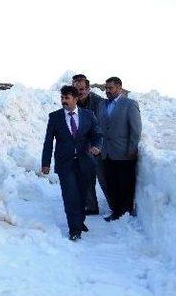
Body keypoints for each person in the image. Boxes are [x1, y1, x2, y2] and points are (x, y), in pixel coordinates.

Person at [41, 85, 103, 241]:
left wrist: (96, 146)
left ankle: (79, 220)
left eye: (67, 98)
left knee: (82, 195)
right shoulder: (55, 117)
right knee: (70, 196)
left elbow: (97, 134)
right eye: (62, 98)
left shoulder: (88, 115)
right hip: (65, 163)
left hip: (85, 162)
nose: (63, 101)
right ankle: (74, 228)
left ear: (76, 99)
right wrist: (46, 163)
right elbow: (48, 142)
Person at [98, 77, 142, 221]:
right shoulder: (102, 105)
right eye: (106, 88)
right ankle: (116, 212)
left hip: (124, 153)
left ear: (120, 88)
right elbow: (100, 127)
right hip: (107, 153)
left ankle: (126, 213)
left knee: (125, 185)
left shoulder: (130, 104)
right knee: (111, 184)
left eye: (110, 88)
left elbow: (136, 129)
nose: (107, 91)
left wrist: (133, 148)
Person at [72, 77, 111, 215]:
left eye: (82, 89)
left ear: (88, 89)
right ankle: (92, 206)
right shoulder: (72, 102)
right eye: (76, 89)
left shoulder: (99, 103)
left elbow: (103, 126)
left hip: (99, 146)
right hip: (83, 146)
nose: (79, 92)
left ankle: (115, 208)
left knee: (103, 178)